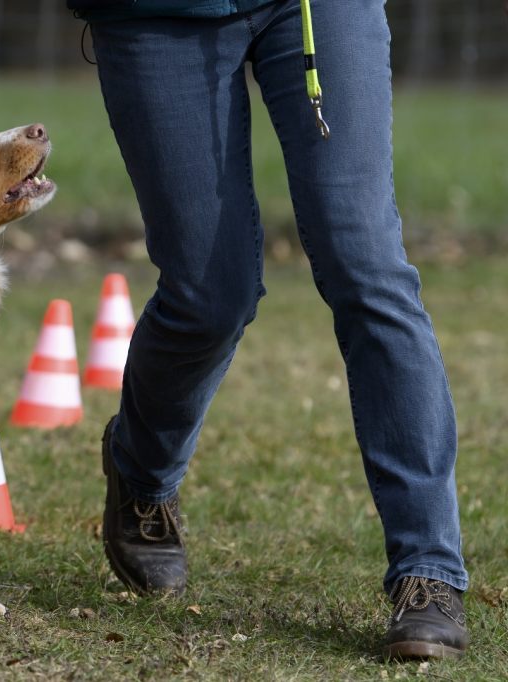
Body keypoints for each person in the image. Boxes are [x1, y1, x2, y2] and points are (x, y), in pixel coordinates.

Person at [68, 0, 468, 660]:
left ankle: (430, 571)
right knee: (207, 296)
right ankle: (142, 475)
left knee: (366, 265)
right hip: (157, 12)